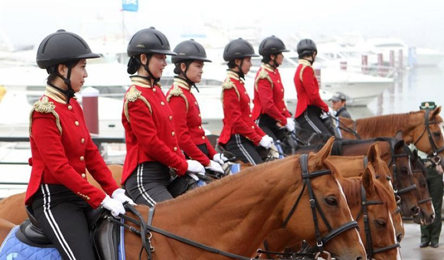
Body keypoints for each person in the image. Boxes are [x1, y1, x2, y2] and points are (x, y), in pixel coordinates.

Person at [26, 29, 133, 260]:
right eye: (82, 66)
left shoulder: (73, 106)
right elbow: (59, 168)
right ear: (63, 69)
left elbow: (91, 154)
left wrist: (114, 190)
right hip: (54, 200)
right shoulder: (44, 112)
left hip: (78, 194)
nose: (86, 74)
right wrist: (101, 198)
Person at [121, 27, 205, 206]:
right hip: (145, 178)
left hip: (167, 173)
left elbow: (171, 137)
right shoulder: (136, 97)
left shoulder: (156, 91)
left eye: (165, 58)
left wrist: (183, 165)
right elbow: (151, 143)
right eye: (160, 58)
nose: (165, 63)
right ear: (143, 59)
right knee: (175, 224)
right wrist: (184, 165)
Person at [166, 39, 224, 174]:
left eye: (202, 67)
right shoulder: (177, 96)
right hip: (191, 158)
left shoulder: (186, 92)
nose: (201, 71)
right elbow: (182, 138)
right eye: (198, 66)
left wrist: (213, 154)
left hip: (200, 154)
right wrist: (206, 161)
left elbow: (199, 133)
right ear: (183, 67)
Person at [218, 38, 274, 165]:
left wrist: (262, 135)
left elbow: (247, 119)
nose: (251, 64)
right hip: (236, 139)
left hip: (244, 137)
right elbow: (236, 122)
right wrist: (258, 139)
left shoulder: (238, 83)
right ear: (237, 61)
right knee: (260, 172)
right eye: (248, 60)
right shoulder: (230, 86)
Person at [252, 35, 295, 144]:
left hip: (274, 120)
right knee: (276, 151)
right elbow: (268, 105)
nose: (282, 57)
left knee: (292, 144)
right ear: (272, 56)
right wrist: (284, 121)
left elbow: (279, 101)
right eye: (280, 54)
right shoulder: (264, 76)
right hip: (263, 121)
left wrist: (288, 117)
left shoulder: (274, 72)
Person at [294, 38, 336, 136]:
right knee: (328, 140)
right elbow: (313, 96)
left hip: (311, 112)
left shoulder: (300, 68)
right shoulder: (306, 69)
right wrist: (326, 108)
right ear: (313, 54)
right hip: (307, 114)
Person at [418, 101, 443, 249]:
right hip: (420, 170)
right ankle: (424, 237)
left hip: (435, 170)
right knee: (423, 205)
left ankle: (434, 238)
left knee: (436, 206)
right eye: (424, 112)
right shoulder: (417, 130)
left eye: (429, 111)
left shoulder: (439, 128)